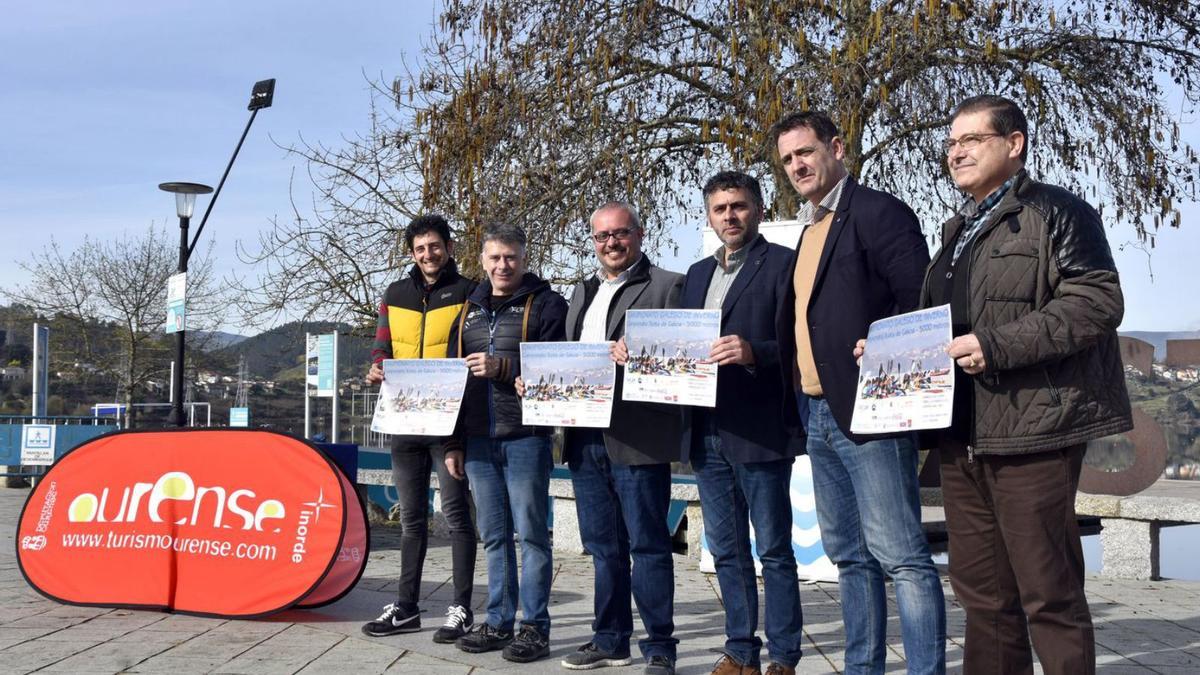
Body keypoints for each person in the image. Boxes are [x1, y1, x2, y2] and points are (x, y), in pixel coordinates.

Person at [910, 95, 1131, 674]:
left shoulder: (1058, 212)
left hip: (1035, 432)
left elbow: (1096, 302)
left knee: (1048, 595)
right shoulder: (956, 231)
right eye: (950, 143)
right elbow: (949, 324)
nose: (955, 152)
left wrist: (997, 346)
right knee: (983, 599)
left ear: (1014, 144)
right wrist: (894, 347)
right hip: (962, 438)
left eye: (971, 140)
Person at [772, 111, 946, 674]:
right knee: (849, 557)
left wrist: (885, 339)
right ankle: (862, 668)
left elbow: (918, 295)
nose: (797, 165)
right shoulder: (807, 229)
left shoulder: (878, 212)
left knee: (903, 558)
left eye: (805, 152)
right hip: (819, 414)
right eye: (787, 160)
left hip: (872, 411)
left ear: (837, 147)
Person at [680, 172, 804, 675]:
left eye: (738, 206)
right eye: (719, 209)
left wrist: (755, 352)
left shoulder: (782, 265)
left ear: (757, 209)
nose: (729, 216)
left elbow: (799, 345)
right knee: (726, 551)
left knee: (773, 550)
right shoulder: (694, 274)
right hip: (704, 430)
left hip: (758, 428)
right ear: (709, 216)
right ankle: (740, 651)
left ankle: (785, 657)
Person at [556, 202, 684, 675]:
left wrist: (645, 353)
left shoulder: (669, 285)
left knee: (648, 545)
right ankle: (609, 639)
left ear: (639, 234)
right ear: (593, 242)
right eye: (601, 236)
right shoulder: (581, 291)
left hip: (638, 436)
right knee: (603, 547)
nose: (611, 243)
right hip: (584, 436)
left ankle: (659, 648)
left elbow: (683, 354)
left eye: (620, 233)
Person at [444, 223, 568, 663]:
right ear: (482, 260)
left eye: (511, 257)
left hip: (527, 437)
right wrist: (453, 444)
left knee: (532, 536)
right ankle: (497, 621)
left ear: (524, 257)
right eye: (495, 257)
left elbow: (560, 364)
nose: (503, 265)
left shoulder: (549, 305)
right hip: (478, 441)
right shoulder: (467, 312)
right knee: (494, 537)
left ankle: (534, 627)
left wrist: (502, 366)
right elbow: (449, 384)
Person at [361, 214, 478, 644]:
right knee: (411, 519)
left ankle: (461, 608)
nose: (428, 254)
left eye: (435, 246)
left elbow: (473, 349)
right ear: (411, 253)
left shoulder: (468, 291)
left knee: (457, 516)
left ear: (449, 247)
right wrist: (375, 367)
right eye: (419, 248)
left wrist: (459, 437)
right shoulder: (394, 294)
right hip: (404, 422)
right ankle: (406, 608)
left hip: (448, 425)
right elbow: (382, 345)